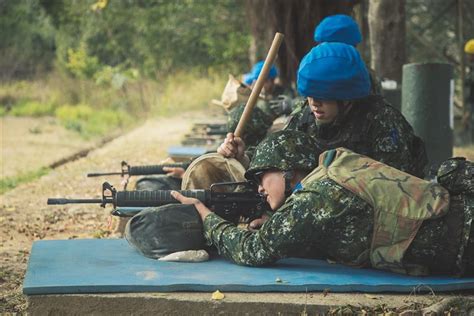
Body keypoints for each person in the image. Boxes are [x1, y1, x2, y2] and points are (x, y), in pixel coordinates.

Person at [172, 130, 474, 276]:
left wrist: (205, 216)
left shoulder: (314, 198)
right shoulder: (334, 166)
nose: (259, 189)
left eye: (262, 176)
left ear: (287, 167)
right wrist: (280, 226)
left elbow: (252, 250)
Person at [219, 42, 427, 178]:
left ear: (347, 99)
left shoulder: (383, 124)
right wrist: (243, 157)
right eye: (309, 96)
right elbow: (280, 155)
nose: (314, 104)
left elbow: (396, 191)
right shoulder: (306, 115)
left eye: (322, 98)